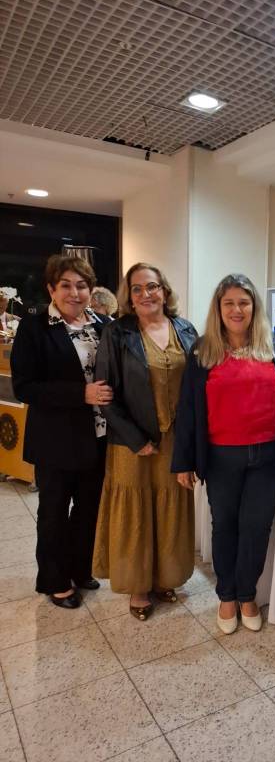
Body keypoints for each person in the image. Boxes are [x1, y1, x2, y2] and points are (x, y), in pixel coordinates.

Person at [171, 273, 275, 635]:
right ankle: (227, 595)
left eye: (244, 303)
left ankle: (247, 594)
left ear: (254, 306)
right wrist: (183, 461)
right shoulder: (203, 351)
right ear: (219, 308)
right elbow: (188, 409)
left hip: (267, 456)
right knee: (224, 526)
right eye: (229, 303)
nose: (237, 310)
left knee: (256, 528)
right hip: (221, 457)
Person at [92, 262, 198, 620]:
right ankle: (138, 586)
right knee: (135, 512)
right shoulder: (117, 332)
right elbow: (105, 394)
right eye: (136, 289)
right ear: (130, 297)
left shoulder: (186, 329)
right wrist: (135, 439)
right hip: (131, 444)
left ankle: (165, 578)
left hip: (175, 440)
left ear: (164, 291)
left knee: (170, 510)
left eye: (151, 286)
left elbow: (199, 386)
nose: (145, 294)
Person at [10, 255, 113, 608]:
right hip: (55, 439)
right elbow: (25, 387)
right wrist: (80, 394)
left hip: (98, 436)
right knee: (53, 512)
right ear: (51, 289)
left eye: (81, 285)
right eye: (66, 285)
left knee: (89, 509)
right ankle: (54, 580)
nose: (74, 292)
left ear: (91, 290)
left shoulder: (103, 324)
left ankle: (80, 569)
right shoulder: (34, 327)